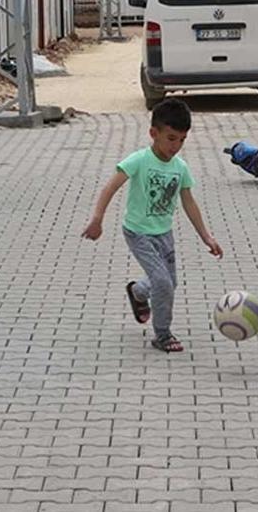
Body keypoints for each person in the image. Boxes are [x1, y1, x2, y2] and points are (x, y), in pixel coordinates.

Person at [82, 98, 223, 353]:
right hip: (138, 233)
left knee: (169, 282)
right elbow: (110, 188)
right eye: (171, 138)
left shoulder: (180, 168)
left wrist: (207, 237)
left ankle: (137, 292)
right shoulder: (138, 160)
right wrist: (97, 219)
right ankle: (163, 334)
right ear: (153, 133)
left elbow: (189, 203)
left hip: (164, 234)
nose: (176, 146)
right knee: (163, 282)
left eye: (182, 139)